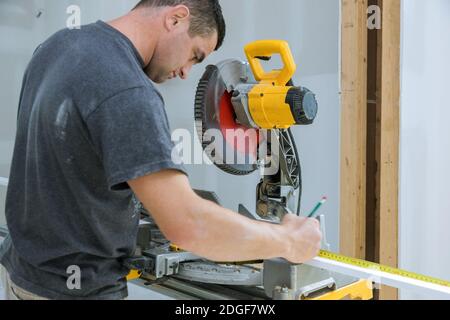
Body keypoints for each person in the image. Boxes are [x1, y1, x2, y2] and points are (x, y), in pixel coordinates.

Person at [0, 0, 322, 300]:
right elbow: (189, 226)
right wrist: (289, 241)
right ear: (176, 18)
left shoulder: (58, 45)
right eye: (195, 55)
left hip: (21, 275)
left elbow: (67, 161)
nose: (185, 71)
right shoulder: (129, 90)